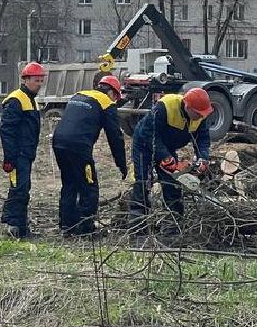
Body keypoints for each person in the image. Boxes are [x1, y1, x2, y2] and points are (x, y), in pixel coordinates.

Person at [51, 74, 128, 236]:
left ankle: (67, 226)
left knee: (69, 183)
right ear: (113, 93)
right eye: (116, 98)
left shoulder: (79, 95)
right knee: (89, 186)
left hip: (59, 143)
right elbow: (115, 136)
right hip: (79, 147)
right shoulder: (106, 102)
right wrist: (122, 164)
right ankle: (85, 228)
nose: (115, 101)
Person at [129, 87, 213, 217]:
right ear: (187, 106)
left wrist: (203, 158)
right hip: (144, 143)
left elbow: (203, 139)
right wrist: (164, 156)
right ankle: (138, 221)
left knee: (172, 183)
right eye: (198, 114)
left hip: (168, 146)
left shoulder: (201, 115)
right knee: (143, 180)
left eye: (202, 114)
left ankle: (174, 222)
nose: (200, 117)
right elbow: (150, 133)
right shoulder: (165, 106)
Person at [0, 61, 45, 238]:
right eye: (36, 80)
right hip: (17, 155)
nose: (39, 84)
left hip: (26, 154)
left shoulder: (31, 100)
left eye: (41, 81)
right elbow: (7, 131)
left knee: (23, 188)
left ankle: (21, 226)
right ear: (26, 80)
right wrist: (9, 158)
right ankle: (13, 226)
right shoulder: (16, 100)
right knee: (18, 189)